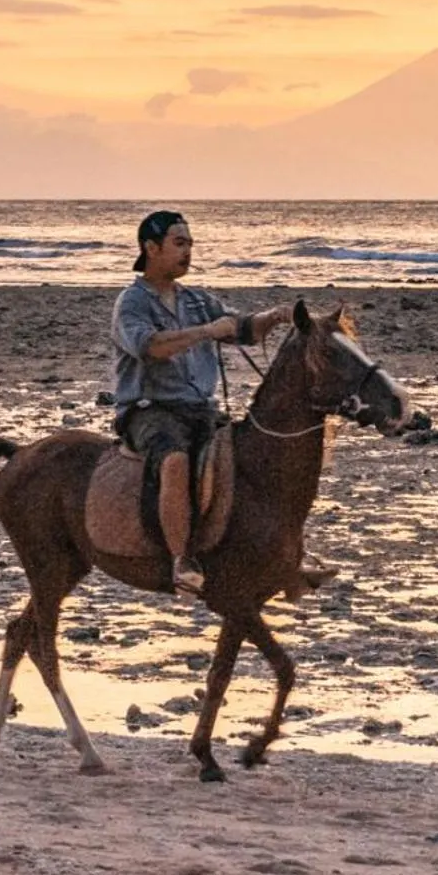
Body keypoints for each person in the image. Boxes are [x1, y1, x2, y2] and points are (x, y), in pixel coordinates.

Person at [110, 210, 298, 597]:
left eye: (190, 244)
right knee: (175, 459)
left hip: (200, 408)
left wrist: (275, 317)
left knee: (252, 454)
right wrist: (207, 331)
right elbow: (151, 347)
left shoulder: (196, 299)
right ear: (151, 248)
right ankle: (182, 560)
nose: (188, 252)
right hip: (149, 409)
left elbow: (242, 330)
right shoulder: (132, 303)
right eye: (179, 244)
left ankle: (277, 549)